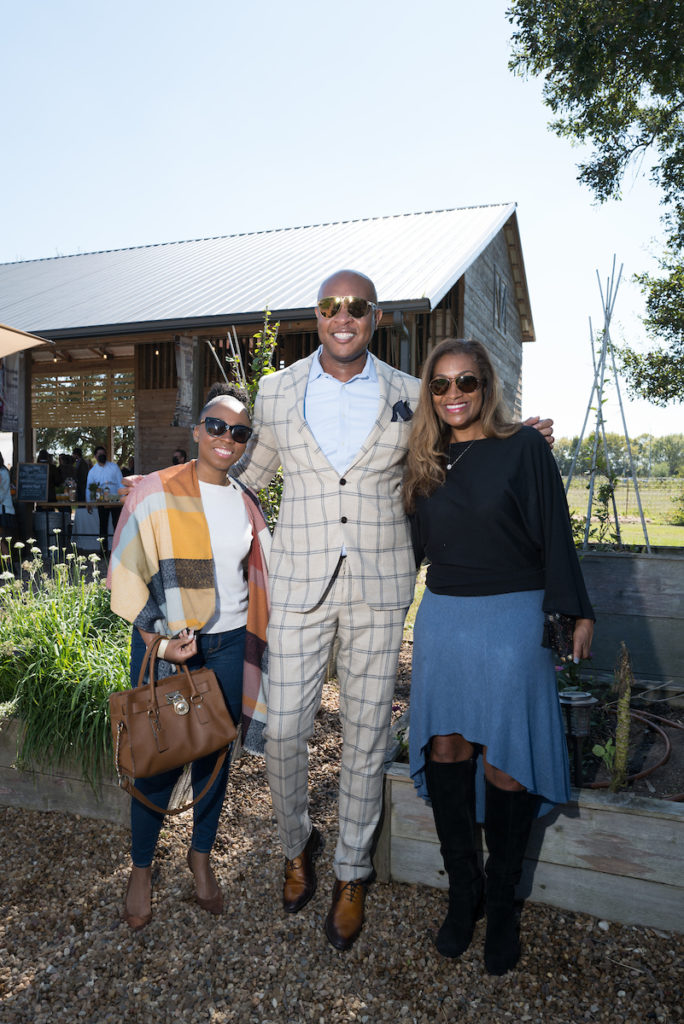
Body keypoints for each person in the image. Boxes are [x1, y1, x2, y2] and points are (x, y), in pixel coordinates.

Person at [230, 269, 555, 951]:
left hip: (381, 588)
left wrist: (516, 438)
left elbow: (460, 450)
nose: (341, 317)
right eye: (328, 306)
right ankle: (296, 844)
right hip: (298, 587)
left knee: (368, 737)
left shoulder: (411, 393)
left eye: (355, 307)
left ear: (374, 317)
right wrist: (179, 478)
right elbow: (247, 477)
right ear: (316, 315)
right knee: (283, 731)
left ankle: (351, 872)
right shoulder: (276, 390)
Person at [403, 338, 594, 976]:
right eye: (441, 385)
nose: (454, 395)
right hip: (444, 620)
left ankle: (505, 905)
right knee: (446, 749)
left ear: (487, 385)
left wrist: (577, 610)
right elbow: (402, 543)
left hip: (514, 617)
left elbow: (555, 532)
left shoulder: (525, 448)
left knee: (507, 762)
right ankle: (466, 894)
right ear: (428, 393)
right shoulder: (422, 460)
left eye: (466, 383)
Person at [108, 394, 270, 930]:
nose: (227, 437)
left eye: (240, 432)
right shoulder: (156, 491)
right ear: (198, 429)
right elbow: (125, 568)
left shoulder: (247, 502)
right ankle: (140, 869)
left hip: (228, 647)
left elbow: (258, 576)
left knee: (214, 758)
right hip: (172, 644)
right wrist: (158, 633)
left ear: (245, 444)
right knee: (155, 756)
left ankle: (200, 857)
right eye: (217, 425)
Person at [86, 446, 123, 555]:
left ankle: (119, 550)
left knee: (117, 525)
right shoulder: (92, 472)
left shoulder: (114, 467)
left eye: (103, 454)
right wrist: (89, 502)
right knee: (103, 526)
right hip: (101, 502)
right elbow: (89, 487)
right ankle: (103, 550)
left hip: (115, 501)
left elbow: (120, 482)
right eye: (99, 454)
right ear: (95, 456)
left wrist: (122, 499)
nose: (102, 456)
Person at [0, 453, 16, 556]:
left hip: (3, 510)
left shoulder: (1, 472)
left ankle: (8, 566)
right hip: (5, 510)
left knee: (1, 540)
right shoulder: (4, 471)